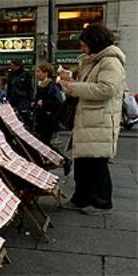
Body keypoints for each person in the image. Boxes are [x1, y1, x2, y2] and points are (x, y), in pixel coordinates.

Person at [59, 23, 125, 215]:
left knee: (96, 165)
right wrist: (72, 79)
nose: (82, 48)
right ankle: (81, 198)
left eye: (84, 44)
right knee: (83, 163)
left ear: (94, 42)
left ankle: (102, 203)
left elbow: (106, 89)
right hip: (89, 119)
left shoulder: (110, 62)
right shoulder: (95, 61)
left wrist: (73, 87)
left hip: (99, 120)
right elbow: (91, 84)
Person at [33, 63, 63, 145]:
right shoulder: (41, 85)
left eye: (39, 71)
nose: (37, 74)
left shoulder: (51, 86)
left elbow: (58, 102)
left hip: (47, 120)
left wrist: (44, 103)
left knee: (46, 141)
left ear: (46, 73)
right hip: (42, 119)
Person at [7, 59, 34, 125]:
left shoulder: (26, 75)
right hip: (13, 99)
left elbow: (30, 88)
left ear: (18, 66)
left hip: (23, 100)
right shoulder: (11, 75)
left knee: (23, 116)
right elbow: (9, 88)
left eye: (13, 66)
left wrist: (30, 100)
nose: (11, 67)